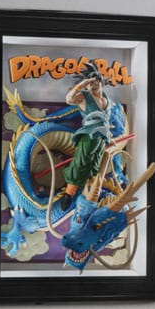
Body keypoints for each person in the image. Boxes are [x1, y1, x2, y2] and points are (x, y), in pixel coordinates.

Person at [58, 63, 113, 210]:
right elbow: (69, 99)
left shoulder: (107, 100)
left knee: (94, 166)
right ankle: (69, 194)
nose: (92, 85)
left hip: (102, 138)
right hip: (89, 135)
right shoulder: (84, 97)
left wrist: (109, 138)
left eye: (94, 81)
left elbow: (106, 121)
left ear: (101, 81)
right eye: (89, 83)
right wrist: (83, 84)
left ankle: (85, 195)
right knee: (80, 163)